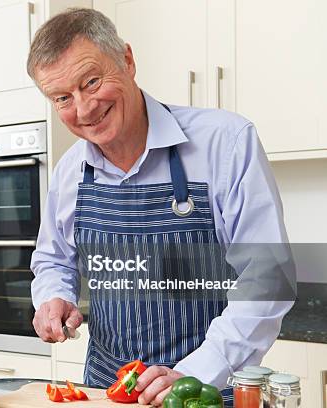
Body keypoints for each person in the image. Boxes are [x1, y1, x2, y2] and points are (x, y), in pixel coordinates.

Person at [27, 8, 293, 406]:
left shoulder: (226, 142)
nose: (82, 109)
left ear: (128, 61)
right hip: (106, 391)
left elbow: (266, 277)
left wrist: (194, 372)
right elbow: (53, 259)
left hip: (202, 390)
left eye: (92, 81)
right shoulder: (70, 171)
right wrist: (53, 296)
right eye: (63, 97)